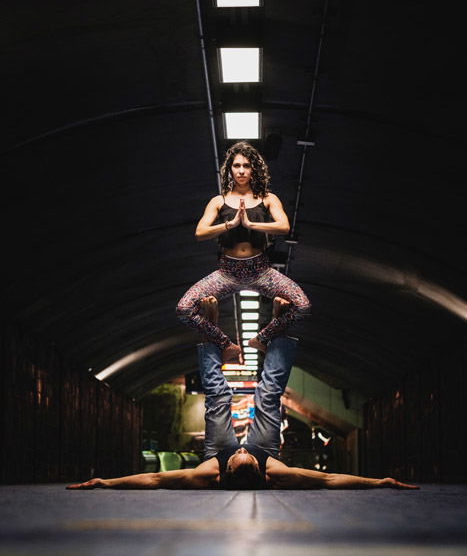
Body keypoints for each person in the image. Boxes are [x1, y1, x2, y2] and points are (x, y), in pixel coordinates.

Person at [67, 313, 418, 492]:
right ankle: (278, 332)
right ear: (260, 469)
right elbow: (329, 482)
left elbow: (156, 481)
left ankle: (211, 329)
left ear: (226, 472)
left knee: (218, 397)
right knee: (268, 395)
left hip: (212, 451)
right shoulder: (275, 470)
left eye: (238, 458)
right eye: (245, 456)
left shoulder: (208, 473)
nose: (242, 451)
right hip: (271, 447)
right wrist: (380, 483)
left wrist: (106, 483)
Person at [175, 140, 311, 363]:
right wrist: (230, 224)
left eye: (246, 166)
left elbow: (284, 226)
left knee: (303, 306)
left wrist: (250, 224)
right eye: (236, 165)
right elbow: (200, 232)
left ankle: (263, 338)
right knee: (184, 309)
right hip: (227, 273)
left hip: (261, 272)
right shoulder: (218, 201)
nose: (241, 170)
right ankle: (225, 344)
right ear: (229, 169)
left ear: (253, 169)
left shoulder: (268, 198)